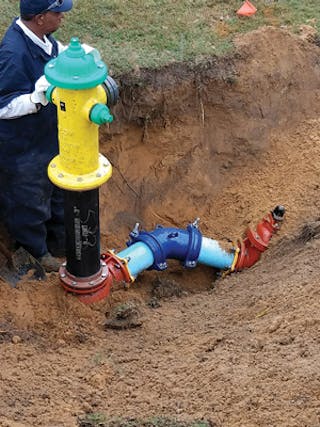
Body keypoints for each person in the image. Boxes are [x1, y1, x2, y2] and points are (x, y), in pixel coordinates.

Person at [0, 0, 73, 272]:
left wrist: (74, 57)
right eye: (57, 13)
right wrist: (36, 99)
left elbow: (54, 55)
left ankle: (62, 248)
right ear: (40, 17)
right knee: (29, 204)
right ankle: (36, 255)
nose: (62, 17)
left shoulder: (43, 39)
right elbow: (3, 105)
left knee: (56, 196)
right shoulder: (13, 54)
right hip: (22, 151)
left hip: (46, 141)